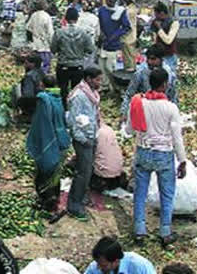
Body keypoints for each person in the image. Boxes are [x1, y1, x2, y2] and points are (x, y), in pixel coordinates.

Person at [126, 68, 187, 246]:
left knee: (140, 192)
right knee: (167, 194)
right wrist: (182, 160)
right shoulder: (171, 108)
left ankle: (139, 230)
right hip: (164, 154)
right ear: (165, 85)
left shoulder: (138, 103)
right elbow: (177, 137)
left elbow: (130, 130)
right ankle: (165, 232)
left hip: (143, 151)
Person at [26, 75, 70, 216]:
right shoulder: (58, 98)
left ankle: (47, 204)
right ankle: (53, 200)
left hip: (49, 141)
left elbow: (41, 125)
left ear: (43, 85)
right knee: (55, 174)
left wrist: (36, 140)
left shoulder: (44, 101)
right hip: (61, 140)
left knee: (44, 174)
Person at [65, 66, 103, 220]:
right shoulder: (78, 96)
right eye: (97, 79)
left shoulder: (92, 94)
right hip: (83, 139)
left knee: (87, 170)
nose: (100, 83)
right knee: (83, 172)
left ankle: (81, 196)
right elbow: (73, 121)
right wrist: (83, 139)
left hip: (91, 135)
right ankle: (74, 205)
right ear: (88, 79)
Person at [121, 43, 178, 120]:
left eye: (153, 59)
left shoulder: (170, 75)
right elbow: (129, 94)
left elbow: (173, 97)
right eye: (147, 59)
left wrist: (174, 116)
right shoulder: (140, 73)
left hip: (163, 111)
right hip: (144, 110)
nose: (149, 62)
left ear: (161, 59)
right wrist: (125, 113)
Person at [51, 7, 95, 103]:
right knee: (77, 92)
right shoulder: (83, 33)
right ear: (77, 18)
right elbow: (90, 49)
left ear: (65, 18)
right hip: (78, 66)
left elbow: (53, 49)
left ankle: (63, 110)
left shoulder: (59, 32)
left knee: (62, 90)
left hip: (63, 66)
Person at [97, 0, 131, 95]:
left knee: (111, 67)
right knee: (102, 67)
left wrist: (115, 35)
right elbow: (98, 23)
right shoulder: (102, 10)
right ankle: (105, 87)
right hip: (103, 43)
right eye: (107, 0)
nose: (109, 2)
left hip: (114, 44)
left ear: (115, 0)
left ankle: (116, 87)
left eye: (111, 0)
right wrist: (100, 33)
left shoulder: (120, 11)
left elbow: (126, 27)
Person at [83, 236, 155, 274]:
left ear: (116, 261)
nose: (98, 268)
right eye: (98, 263)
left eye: (103, 265)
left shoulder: (139, 265)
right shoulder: (94, 267)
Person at [91, 115, 126, 193]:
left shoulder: (96, 132)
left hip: (103, 174)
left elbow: (90, 153)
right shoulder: (109, 130)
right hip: (117, 172)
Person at [26, 0, 54, 73]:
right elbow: (50, 32)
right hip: (45, 46)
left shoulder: (33, 15)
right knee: (45, 65)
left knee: (36, 67)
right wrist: (53, 45)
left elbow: (28, 28)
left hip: (35, 45)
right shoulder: (46, 16)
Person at [151, 2, 180, 73]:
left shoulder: (174, 23)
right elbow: (153, 37)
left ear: (162, 13)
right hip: (159, 55)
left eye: (156, 14)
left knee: (169, 75)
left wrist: (159, 28)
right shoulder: (156, 21)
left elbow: (168, 40)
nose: (155, 17)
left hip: (169, 55)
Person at [15, 53, 44, 118]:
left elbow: (28, 94)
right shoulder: (42, 72)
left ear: (32, 64)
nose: (24, 65)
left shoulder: (29, 76)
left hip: (34, 102)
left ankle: (26, 114)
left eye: (26, 63)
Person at [120, 0, 138, 71]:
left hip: (127, 37)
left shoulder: (128, 11)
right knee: (131, 56)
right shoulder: (133, 8)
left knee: (128, 59)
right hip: (132, 36)